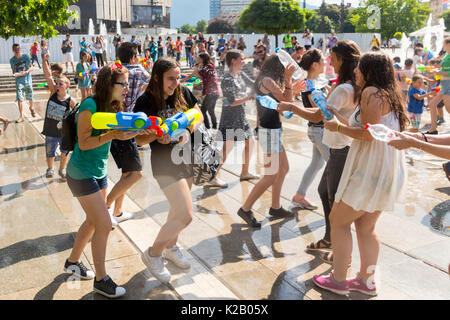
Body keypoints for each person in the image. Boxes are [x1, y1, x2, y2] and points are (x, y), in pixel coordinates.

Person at [312, 51, 408, 296]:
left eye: (359, 68)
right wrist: (338, 118)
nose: (355, 71)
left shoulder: (370, 93)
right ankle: (366, 281)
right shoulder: (388, 94)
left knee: (338, 221)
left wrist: (338, 127)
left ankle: (339, 279)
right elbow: (367, 126)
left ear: (370, 71)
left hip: (369, 169)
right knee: (366, 228)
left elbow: (368, 134)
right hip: (386, 169)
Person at [64, 65, 143, 298]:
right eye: (124, 84)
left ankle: (72, 262)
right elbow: (85, 143)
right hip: (80, 173)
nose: (127, 88)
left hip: (98, 173)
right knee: (104, 224)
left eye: (128, 84)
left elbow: (121, 135)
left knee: (92, 222)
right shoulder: (90, 105)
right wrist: (113, 134)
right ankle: (101, 279)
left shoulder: (114, 106)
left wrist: (146, 131)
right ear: (110, 85)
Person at [279, 40, 361, 255]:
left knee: (335, 198)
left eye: (333, 59)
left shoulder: (342, 88)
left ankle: (340, 250)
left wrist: (290, 107)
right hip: (339, 145)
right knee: (325, 190)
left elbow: (319, 114)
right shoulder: (346, 84)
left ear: (343, 60)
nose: (329, 63)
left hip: (341, 148)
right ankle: (330, 238)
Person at [134, 57, 204, 284]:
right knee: (185, 214)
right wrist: (156, 135)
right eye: (170, 79)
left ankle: (171, 247)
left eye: (177, 78)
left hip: (186, 157)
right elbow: (138, 138)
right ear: (157, 77)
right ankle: (153, 254)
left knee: (176, 211)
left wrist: (187, 127)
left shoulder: (181, 92)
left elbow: (198, 113)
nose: (176, 83)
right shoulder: (146, 101)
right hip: (164, 164)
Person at [238, 53, 305, 227]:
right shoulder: (267, 80)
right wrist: (289, 82)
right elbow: (286, 101)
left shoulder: (268, 80)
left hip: (272, 130)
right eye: (285, 69)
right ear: (279, 67)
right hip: (268, 132)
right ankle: (245, 208)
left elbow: (285, 106)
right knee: (270, 175)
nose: (286, 72)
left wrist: (292, 88)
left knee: (283, 168)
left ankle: (275, 206)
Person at [106, 42, 150, 225]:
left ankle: (118, 211)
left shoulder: (115, 71)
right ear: (133, 57)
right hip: (126, 127)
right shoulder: (138, 70)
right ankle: (104, 207)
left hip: (112, 124)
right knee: (136, 173)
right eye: (138, 55)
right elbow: (153, 82)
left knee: (127, 173)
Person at [210, 50, 260, 188]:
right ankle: (212, 176)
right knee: (228, 148)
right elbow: (231, 101)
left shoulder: (240, 75)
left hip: (241, 115)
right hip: (231, 117)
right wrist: (249, 97)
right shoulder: (227, 79)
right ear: (233, 61)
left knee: (251, 142)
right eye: (242, 59)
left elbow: (254, 84)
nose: (244, 61)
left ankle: (244, 172)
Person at [293, 49, 330, 210]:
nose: (325, 63)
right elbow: (318, 109)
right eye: (323, 61)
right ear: (315, 64)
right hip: (319, 130)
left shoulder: (317, 81)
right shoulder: (309, 84)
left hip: (317, 130)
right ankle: (334, 202)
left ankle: (299, 196)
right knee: (335, 166)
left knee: (316, 164)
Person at [41, 75, 76, 180]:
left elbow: (76, 114)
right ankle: (50, 168)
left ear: (67, 87)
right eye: (57, 83)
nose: (58, 85)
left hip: (63, 132)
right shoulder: (52, 94)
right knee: (49, 151)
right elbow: (47, 77)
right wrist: (44, 61)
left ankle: (62, 169)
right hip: (50, 130)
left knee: (64, 152)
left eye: (61, 84)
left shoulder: (70, 100)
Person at [183, 52, 220, 130]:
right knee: (210, 110)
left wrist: (194, 82)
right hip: (211, 92)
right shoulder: (205, 67)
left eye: (198, 58)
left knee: (203, 110)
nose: (197, 58)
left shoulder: (208, 67)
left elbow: (200, 78)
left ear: (203, 59)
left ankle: (208, 127)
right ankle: (213, 127)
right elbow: (198, 77)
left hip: (212, 92)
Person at [424, 38, 450, 134]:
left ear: (448, 44)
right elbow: (443, 68)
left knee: (448, 109)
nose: (442, 45)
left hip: (448, 84)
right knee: (432, 104)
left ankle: (433, 129)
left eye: (444, 44)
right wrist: (435, 71)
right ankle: (433, 129)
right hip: (443, 85)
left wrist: (439, 71)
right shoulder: (446, 55)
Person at [10, 43, 36, 121]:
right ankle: (21, 116)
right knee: (19, 98)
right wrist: (16, 75)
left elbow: (32, 67)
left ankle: (31, 108)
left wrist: (26, 72)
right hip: (19, 82)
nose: (17, 50)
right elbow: (13, 72)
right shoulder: (12, 60)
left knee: (30, 97)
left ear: (20, 49)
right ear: (13, 50)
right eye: (15, 49)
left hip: (27, 80)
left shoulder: (25, 57)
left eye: (18, 49)